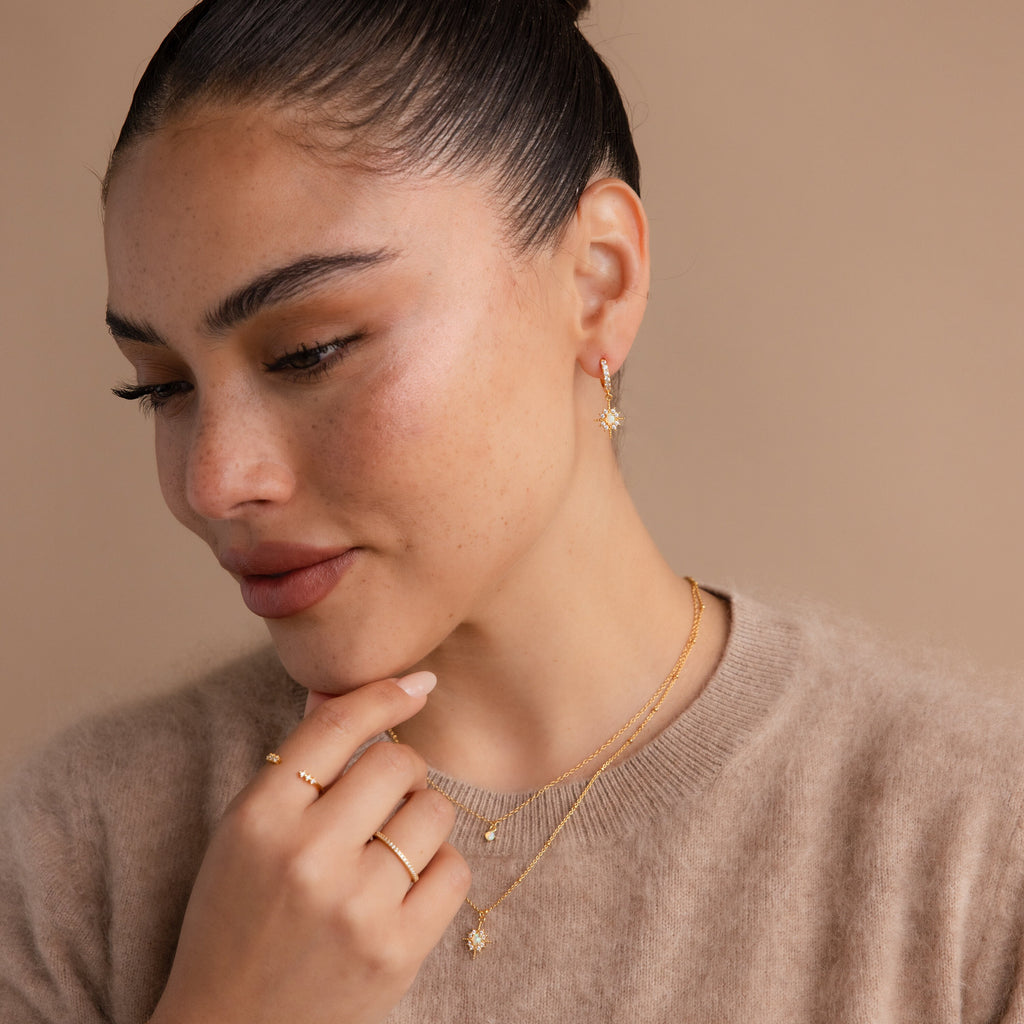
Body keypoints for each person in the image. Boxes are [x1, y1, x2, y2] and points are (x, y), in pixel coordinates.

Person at [1, 0, 1023, 1021]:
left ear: (595, 281)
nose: (213, 481)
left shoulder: (975, 844)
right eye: (162, 386)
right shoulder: (78, 852)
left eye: (309, 350)